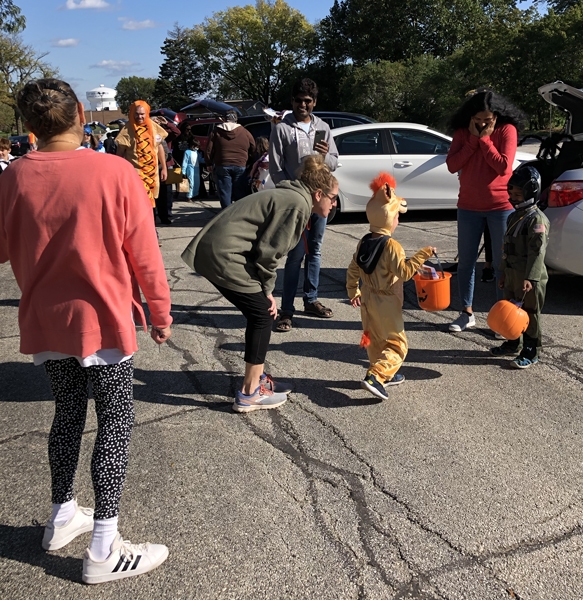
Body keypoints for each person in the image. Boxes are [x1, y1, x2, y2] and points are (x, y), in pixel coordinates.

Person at [0, 78, 173, 584]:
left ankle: (62, 514)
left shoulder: (12, 178)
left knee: (68, 413)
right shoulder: (114, 171)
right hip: (104, 321)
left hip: (46, 321)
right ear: (80, 111)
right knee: (114, 421)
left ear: (29, 126)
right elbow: (145, 254)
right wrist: (159, 312)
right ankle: (104, 544)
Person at [182, 154, 338, 413]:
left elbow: (263, 249)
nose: (334, 204)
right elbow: (269, 253)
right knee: (263, 315)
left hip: (221, 251)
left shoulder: (295, 198)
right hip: (223, 255)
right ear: (319, 194)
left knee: (259, 312)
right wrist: (267, 292)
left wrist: (264, 290)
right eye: (333, 198)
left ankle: (258, 379)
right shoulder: (297, 205)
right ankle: (249, 392)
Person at [346, 173, 435, 401]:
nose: (397, 220)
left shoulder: (364, 241)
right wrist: (423, 254)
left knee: (374, 338)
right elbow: (404, 272)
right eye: (396, 216)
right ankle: (376, 376)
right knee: (397, 345)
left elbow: (353, 268)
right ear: (389, 217)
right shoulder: (392, 246)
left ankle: (385, 373)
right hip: (386, 300)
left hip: (367, 298)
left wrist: (353, 290)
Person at [446, 89, 525, 332]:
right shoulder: (462, 132)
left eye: (487, 121)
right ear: (470, 116)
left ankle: (502, 316)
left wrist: (485, 140)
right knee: (466, 263)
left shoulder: (507, 130)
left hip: (500, 207)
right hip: (468, 207)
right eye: (477, 120)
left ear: (497, 116)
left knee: (503, 264)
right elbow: (452, 165)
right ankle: (466, 313)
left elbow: (503, 167)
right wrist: (471, 140)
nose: (481, 124)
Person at [269, 78, 339, 332]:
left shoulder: (323, 127)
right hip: (296, 200)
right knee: (294, 254)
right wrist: (289, 195)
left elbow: (334, 160)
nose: (303, 105)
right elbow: (276, 168)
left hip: (318, 199)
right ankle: (286, 309)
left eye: (308, 101)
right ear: (292, 101)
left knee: (315, 251)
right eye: (298, 100)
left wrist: (324, 155)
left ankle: (311, 299)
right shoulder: (282, 129)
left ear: (314, 102)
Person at [490, 166, 549, 369]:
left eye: (518, 194)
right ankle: (514, 342)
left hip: (529, 277)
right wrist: (503, 271)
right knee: (511, 309)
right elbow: (506, 247)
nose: (513, 198)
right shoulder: (515, 216)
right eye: (511, 194)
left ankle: (532, 350)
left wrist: (531, 278)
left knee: (529, 313)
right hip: (513, 273)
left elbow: (537, 252)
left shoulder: (536, 220)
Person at [116, 101, 168, 208]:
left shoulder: (154, 127)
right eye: (137, 114)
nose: (139, 117)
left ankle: (151, 223)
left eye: (142, 114)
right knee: (139, 202)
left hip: (152, 173)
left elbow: (159, 147)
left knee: (151, 202)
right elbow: (120, 153)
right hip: (135, 173)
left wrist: (164, 167)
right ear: (132, 113)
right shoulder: (127, 130)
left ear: (147, 113)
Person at [205, 110, 256, 209]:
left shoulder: (216, 132)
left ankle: (226, 215)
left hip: (222, 164)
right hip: (240, 164)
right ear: (236, 119)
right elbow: (253, 147)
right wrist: (249, 160)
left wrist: (209, 163)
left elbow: (208, 150)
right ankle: (239, 214)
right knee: (240, 192)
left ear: (224, 119)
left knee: (225, 192)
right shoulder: (245, 132)